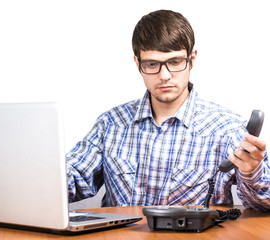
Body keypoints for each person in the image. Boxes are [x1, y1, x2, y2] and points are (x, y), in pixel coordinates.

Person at [66, 9, 269, 211]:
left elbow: (264, 206)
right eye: (152, 64)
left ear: (192, 60)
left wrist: (252, 172)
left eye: (175, 62)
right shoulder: (111, 123)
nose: (164, 75)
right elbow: (72, 177)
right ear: (138, 64)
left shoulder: (228, 129)